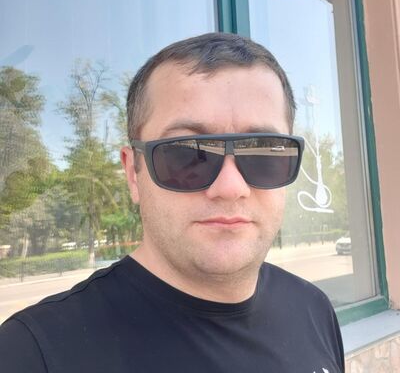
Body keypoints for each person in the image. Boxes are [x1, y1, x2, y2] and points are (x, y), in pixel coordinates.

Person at [0, 32, 344, 372]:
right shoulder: (32, 354)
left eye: (263, 152)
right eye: (186, 153)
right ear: (133, 173)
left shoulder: (313, 309)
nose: (230, 187)